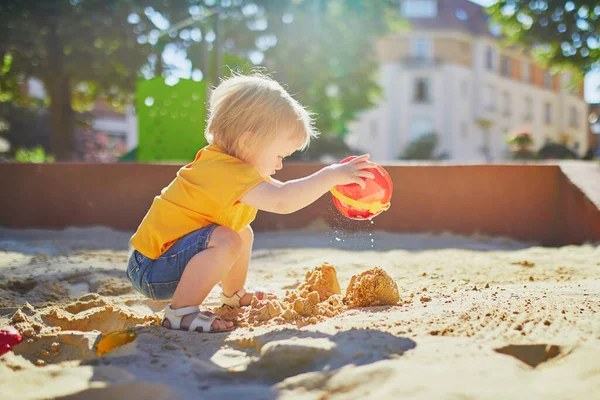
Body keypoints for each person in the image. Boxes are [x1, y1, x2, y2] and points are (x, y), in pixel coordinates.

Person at [126, 73, 375, 333]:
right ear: (248, 141)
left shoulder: (231, 167)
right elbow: (283, 200)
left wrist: (328, 182)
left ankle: (233, 295)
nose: (280, 164)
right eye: (279, 155)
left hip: (165, 259)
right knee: (228, 239)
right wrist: (331, 175)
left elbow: (283, 191)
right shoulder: (225, 172)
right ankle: (180, 313)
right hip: (152, 268)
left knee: (240, 231)